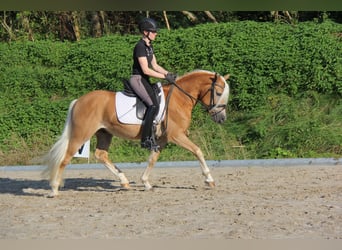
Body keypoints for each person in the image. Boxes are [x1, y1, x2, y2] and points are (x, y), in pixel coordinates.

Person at [129, 17, 177, 151]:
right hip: (137, 79)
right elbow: (146, 70)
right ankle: (146, 140)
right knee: (152, 105)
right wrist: (164, 77)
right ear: (145, 32)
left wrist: (168, 74)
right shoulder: (139, 47)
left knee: (156, 102)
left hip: (144, 80)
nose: (156, 34)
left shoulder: (149, 46)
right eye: (153, 31)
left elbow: (155, 65)